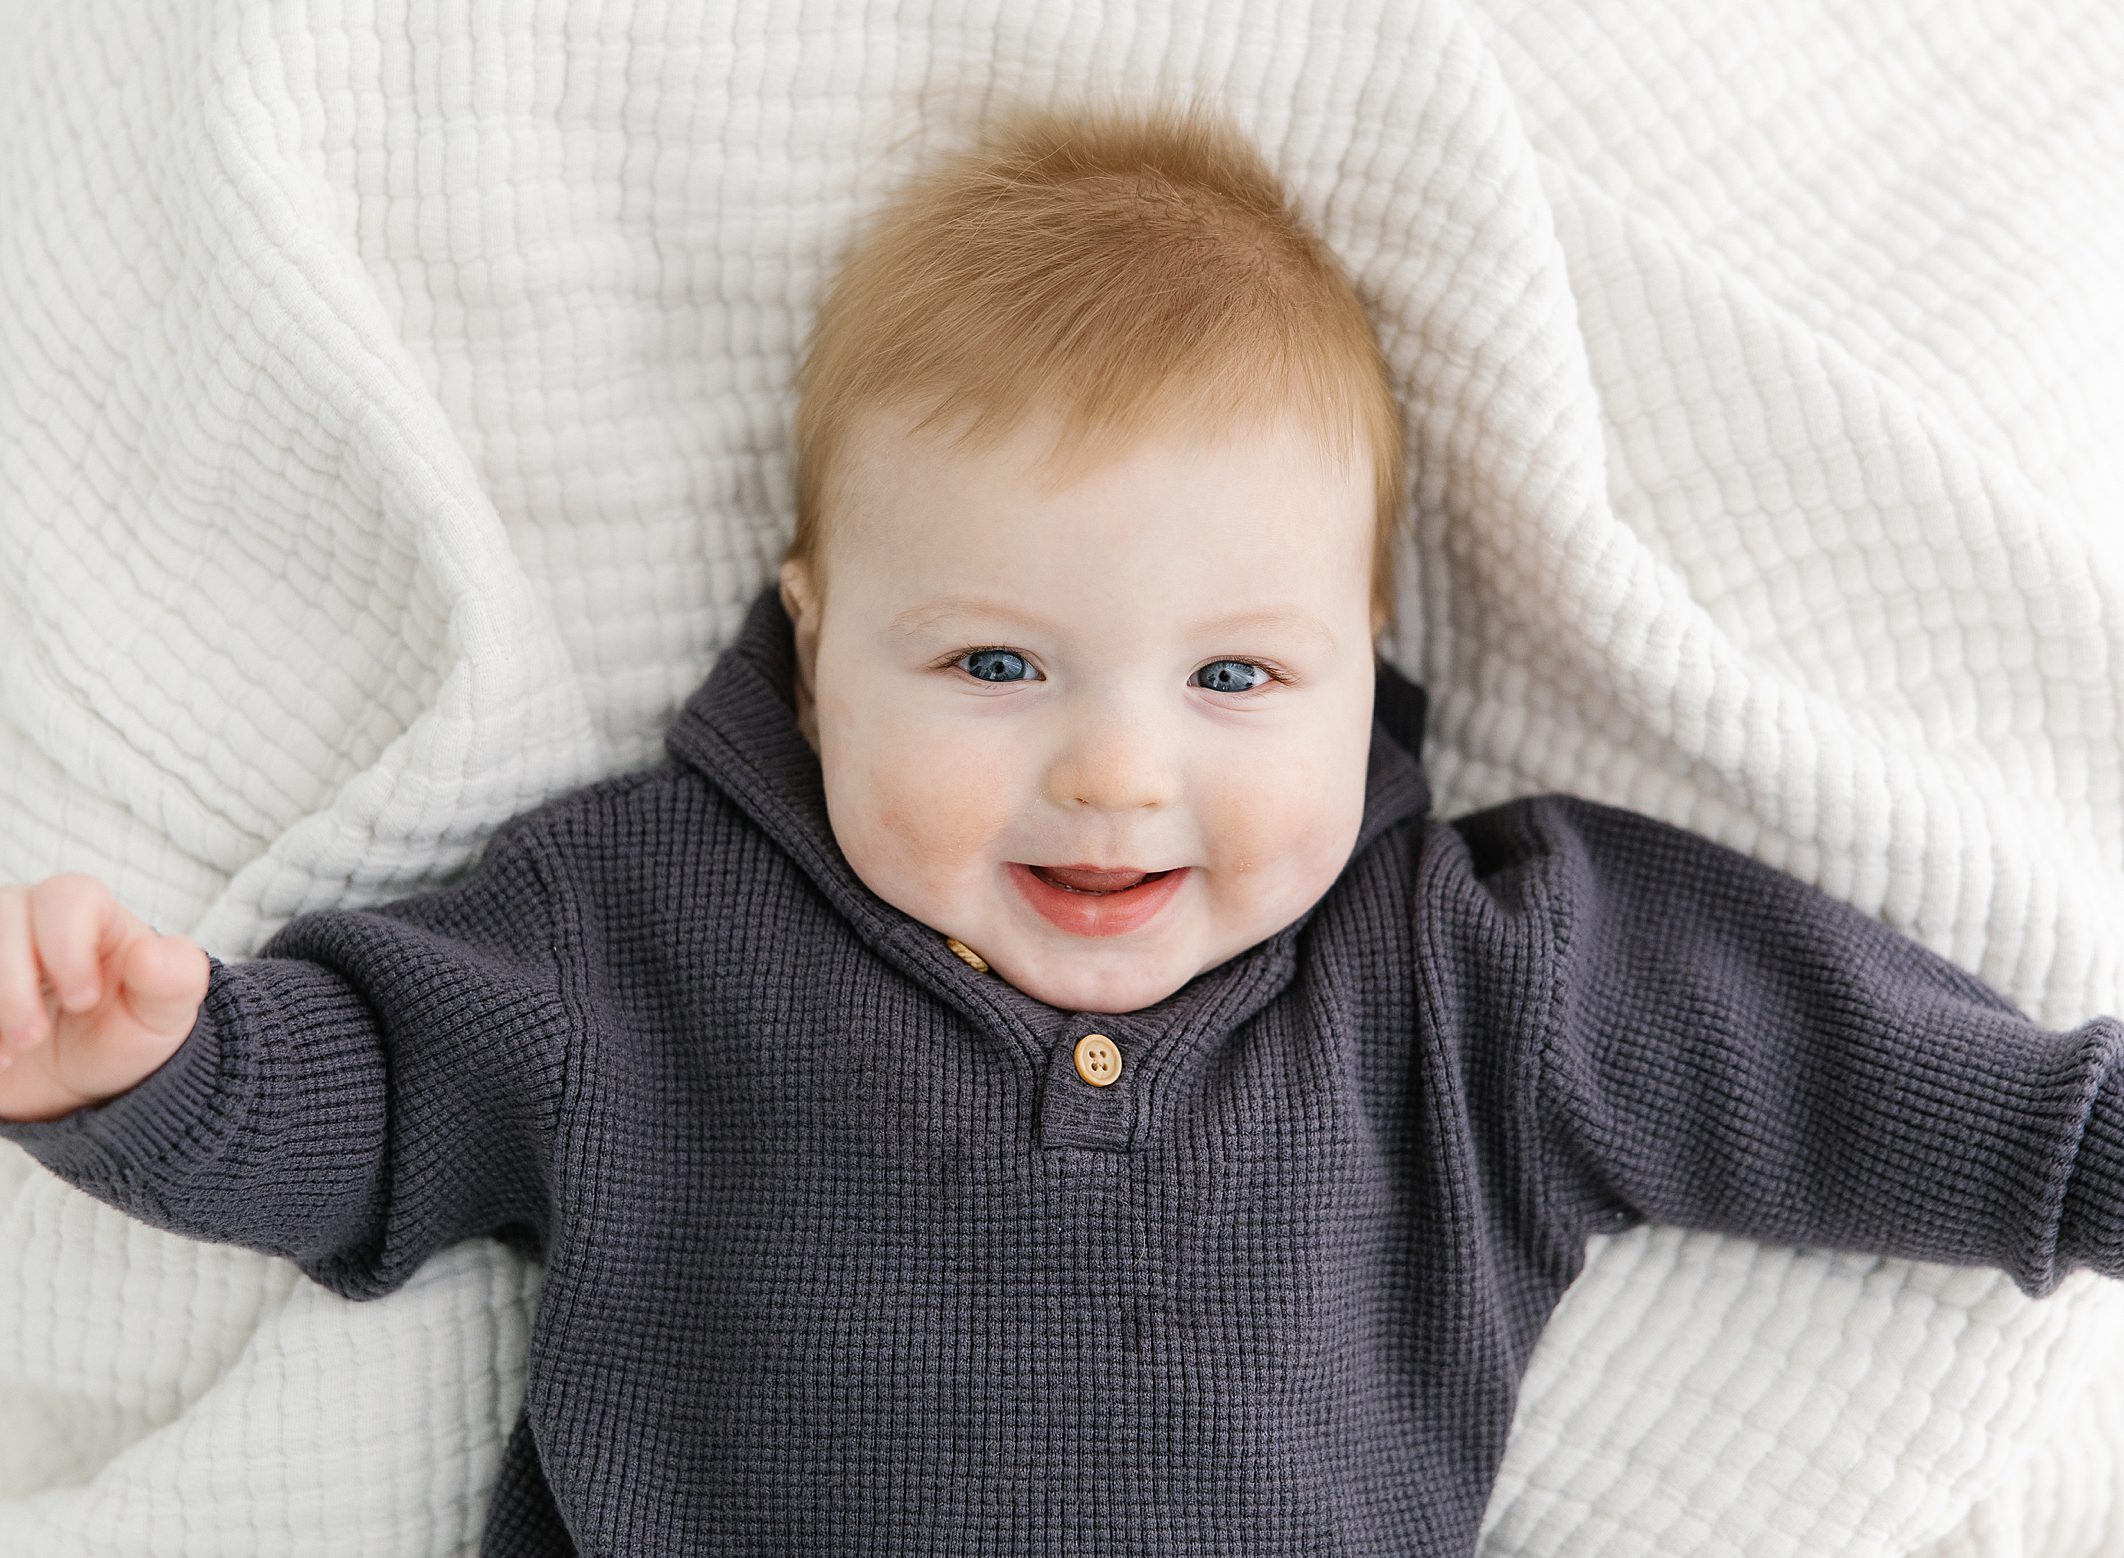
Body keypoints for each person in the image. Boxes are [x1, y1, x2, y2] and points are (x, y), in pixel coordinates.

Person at [1, 91, 2118, 1557]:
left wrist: (2073, 1143)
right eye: (998, 667)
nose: (1117, 769)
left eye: (1234, 678)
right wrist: (163, 1062)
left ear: (1356, 664)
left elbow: (1842, 1072)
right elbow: (369, 1094)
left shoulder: (1468, 971)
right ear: (815, 651)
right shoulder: (638, 928)